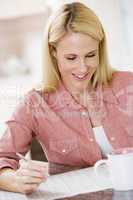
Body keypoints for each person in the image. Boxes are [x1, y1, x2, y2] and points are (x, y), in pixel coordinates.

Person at [0, 1, 133, 194]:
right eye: (71, 58)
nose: (82, 68)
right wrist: (11, 179)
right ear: (53, 52)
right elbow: (3, 155)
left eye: (90, 55)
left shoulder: (128, 85)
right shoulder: (36, 103)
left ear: (100, 49)